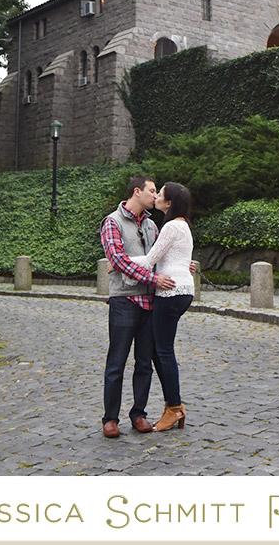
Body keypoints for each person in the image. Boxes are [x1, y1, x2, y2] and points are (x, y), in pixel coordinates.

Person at [99, 175, 175, 437]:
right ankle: (110, 419)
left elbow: (159, 258)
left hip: (150, 302)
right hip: (124, 301)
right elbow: (118, 260)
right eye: (152, 191)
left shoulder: (153, 226)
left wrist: (179, 267)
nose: (155, 196)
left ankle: (139, 414)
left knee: (144, 362)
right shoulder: (113, 222)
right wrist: (152, 276)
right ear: (137, 192)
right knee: (116, 362)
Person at [129, 181, 195, 432]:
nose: (156, 196)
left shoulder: (170, 226)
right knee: (159, 350)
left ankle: (175, 407)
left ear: (169, 203)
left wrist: (118, 261)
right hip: (182, 291)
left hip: (170, 292)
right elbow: (180, 260)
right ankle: (172, 406)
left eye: (161, 195)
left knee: (164, 351)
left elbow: (149, 261)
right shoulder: (184, 226)